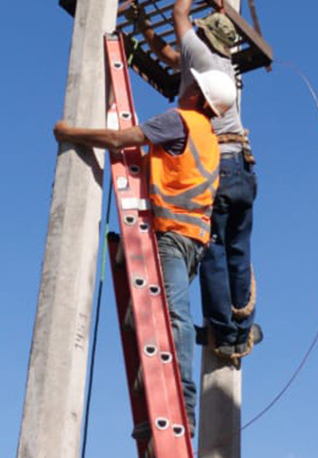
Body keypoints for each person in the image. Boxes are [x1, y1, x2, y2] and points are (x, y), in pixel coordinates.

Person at [53, 66, 237, 433]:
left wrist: (68, 133)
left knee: (173, 318)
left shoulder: (179, 121)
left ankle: (182, 407)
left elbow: (122, 140)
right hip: (194, 241)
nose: (185, 86)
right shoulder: (209, 138)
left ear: (198, 97)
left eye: (192, 84)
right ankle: (160, 408)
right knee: (165, 317)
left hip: (172, 234)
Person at [129, 0, 261, 363]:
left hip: (219, 164)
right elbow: (165, 52)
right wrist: (142, 26)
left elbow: (178, 13)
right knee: (238, 249)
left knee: (213, 248)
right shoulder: (216, 65)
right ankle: (241, 326)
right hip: (245, 167)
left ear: (204, 37)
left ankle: (225, 335)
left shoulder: (200, 52)